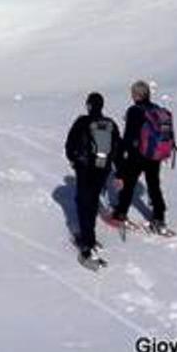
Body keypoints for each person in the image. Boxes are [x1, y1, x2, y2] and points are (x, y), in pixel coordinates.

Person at [64, 91, 121, 261]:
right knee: (94, 200)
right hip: (103, 169)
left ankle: (86, 241)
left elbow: (69, 144)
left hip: (84, 168)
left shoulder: (82, 121)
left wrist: (73, 159)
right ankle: (91, 237)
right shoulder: (110, 123)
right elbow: (118, 149)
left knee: (83, 202)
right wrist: (119, 172)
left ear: (89, 105)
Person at [110, 79, 171, 233]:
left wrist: (120, 153)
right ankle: (159, 217)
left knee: (128, 184)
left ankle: (120, 213)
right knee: (154, 185)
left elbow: (128, 136)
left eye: (133, 93)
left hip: (137, 155)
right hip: (154, 155)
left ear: (137, 95)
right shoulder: (157, 109)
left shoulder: (134, 111)